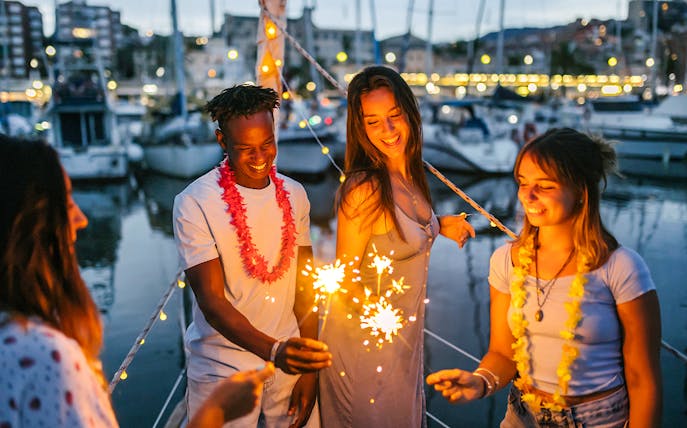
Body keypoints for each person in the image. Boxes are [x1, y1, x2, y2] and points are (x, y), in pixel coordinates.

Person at [0, 135, 275, 427]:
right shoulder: (45, 359)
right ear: (26, 226)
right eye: (66, 204)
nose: (82, 219)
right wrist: (216, 412)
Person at [427, 128, 662, 427]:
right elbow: (502, 353)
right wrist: (479, 382)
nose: (528, 195)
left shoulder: (621, 267)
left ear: (580, 190)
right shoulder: (506, 261)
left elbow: (644, 382)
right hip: (521, 416)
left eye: (545, 185)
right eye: (523, 182)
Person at [318, 66, 475, 427]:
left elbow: (404, 233)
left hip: (404, 345)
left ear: (410, 113)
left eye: (394, 116)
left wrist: (440, 226)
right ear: (360, 128)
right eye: (373, 122)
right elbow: (343, 280)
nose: (387, 131)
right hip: (365, 348)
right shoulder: (364, 189)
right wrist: (384, 326)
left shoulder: (412, 177)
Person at [172, 84, 332, 428]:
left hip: (290, 358)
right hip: (222, 368)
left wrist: (309, 371)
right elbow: (212, 302)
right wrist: (275, 352)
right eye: (245, 149)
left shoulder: (295, 194)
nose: (260, 158)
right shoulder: (194, 202)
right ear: (221, 141)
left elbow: (305, 289)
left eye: (267, 144)